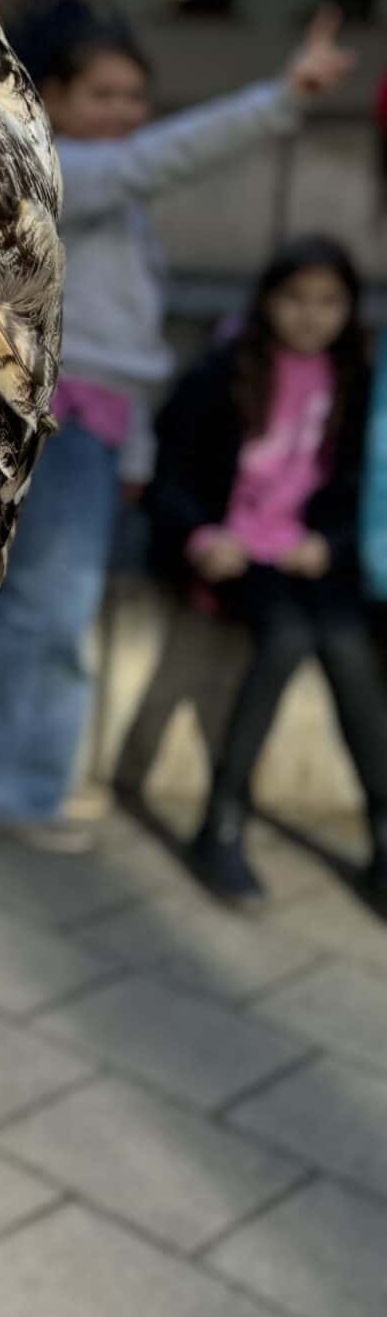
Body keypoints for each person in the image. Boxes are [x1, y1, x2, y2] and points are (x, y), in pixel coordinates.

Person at [0, 6, 354, 854]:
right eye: (103, 93)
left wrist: (130, 453)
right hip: (59, 431)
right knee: (47, 617)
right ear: (50, 94)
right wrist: (280, 98)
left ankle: (26, 782)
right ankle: (14, 792)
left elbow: (124, 348)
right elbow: (155, 159)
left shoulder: (101, 191)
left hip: (91, 434)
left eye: (136, 95)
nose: (125, 111)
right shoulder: (56, 167)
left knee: (56, 614)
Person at [150, 236, 387, 903]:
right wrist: (200, 536)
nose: (311, 316)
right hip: (235, 552)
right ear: (267, 301)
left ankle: (384, 838)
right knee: (284, 640)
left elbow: (362, 486)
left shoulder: (357, 381)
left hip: (309, 553)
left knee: (344, 645)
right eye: (295, 298)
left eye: (329, 302)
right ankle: (220, 824)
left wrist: (330, 544)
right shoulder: (223, 371)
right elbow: (171, 475)